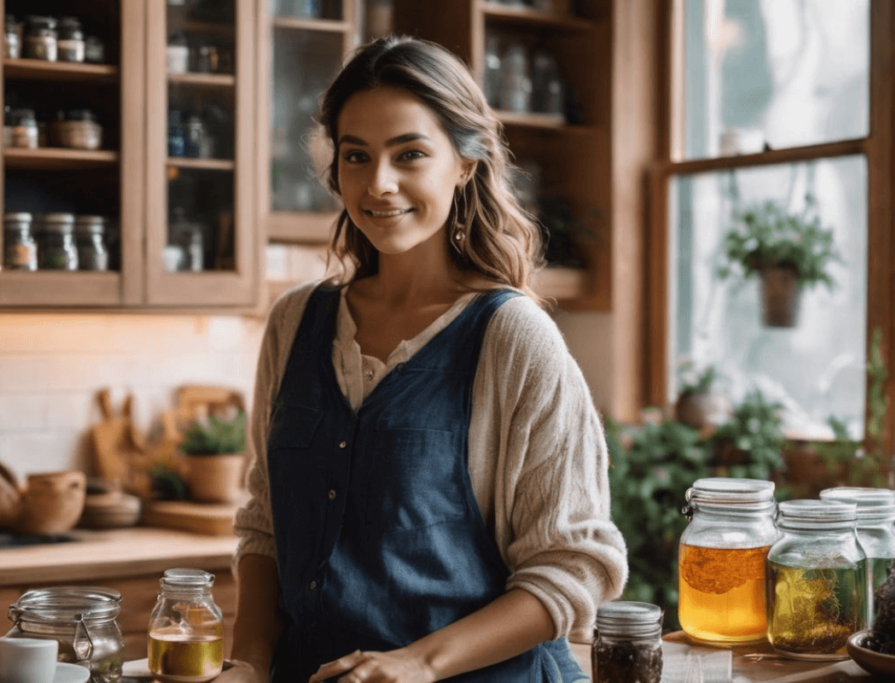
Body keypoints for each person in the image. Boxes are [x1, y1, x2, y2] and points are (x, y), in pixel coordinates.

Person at [221, 35, 627, 683]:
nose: (378, 184)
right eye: (357, 156)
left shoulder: (512, 336)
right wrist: (247, 663)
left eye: (409, 154)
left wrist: (418, 663)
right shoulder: (295, 321)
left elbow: (575, 565)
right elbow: (266, 525)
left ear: (464, 163)